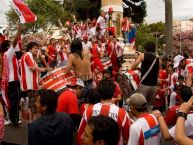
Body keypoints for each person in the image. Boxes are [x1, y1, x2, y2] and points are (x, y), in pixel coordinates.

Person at [77, 80, 132, 145]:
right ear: (113, 93)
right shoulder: (122, 114)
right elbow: (127, 139)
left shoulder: (89, 110)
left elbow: (80, 134)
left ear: (99, 92)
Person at [20, 42, 50, 121]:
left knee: (32, 104)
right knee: (34, 104)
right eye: (35, 48)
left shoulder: (28, 55)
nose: (37, 50)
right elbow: (33, 68)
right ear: (30, 49)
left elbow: (34, 68)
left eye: (37, 48)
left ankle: (32, 122)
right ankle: (33, 122)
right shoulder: (28, 54)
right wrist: (44, 69)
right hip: (31, 84)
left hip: (31, 84)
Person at [131, 41, 159, 109]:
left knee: (140, 105)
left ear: (145, 48)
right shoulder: (157, 58)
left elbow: (133, 67)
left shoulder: (143, 55)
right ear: (154, 49)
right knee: (150, 106)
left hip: (144, 84)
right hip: (154, 85)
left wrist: (140, 68)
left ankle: (141, 118)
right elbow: (157, 72)